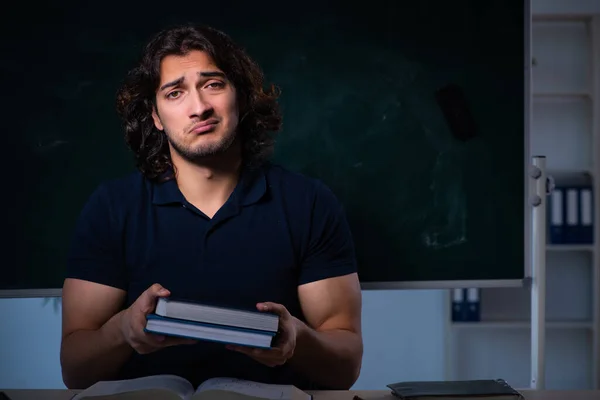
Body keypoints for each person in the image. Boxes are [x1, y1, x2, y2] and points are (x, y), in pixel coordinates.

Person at [60, 24, 363, 391]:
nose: (199, 108)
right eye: (175, 93)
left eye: (213, 84)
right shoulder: (111, 209)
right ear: (156, 117)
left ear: (242, 96)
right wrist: (122, 331)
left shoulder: (309, 203)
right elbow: (74, 370)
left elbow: (345, 367)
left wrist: (297, 340)